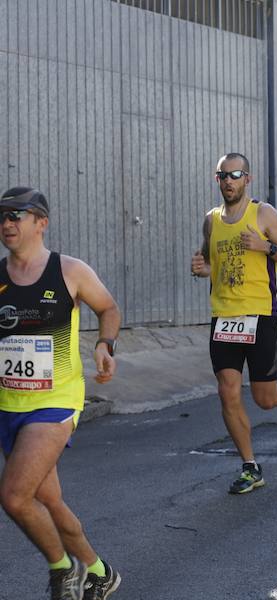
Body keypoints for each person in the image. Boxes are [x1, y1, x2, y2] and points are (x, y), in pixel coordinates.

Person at [0, 187, 123, 599]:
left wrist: (105, 345)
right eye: (1, 216)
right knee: (48, 500)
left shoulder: (69, 270)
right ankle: (100, 572)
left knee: (15, 497)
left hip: (55, 403)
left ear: (41, 222)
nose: (6, 223)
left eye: (16, 215)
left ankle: (62, 569)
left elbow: (108, 308)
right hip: (8, 405)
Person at [191, 153, 277, 495]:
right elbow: (211, 262)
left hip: (259, 315)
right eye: (223, 176)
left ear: (248, 178)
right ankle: (250, 466)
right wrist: (202, 269)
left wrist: (265, 246)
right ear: (217, 180)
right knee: (227, 391)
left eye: (235, 175)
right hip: (223, 317)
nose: (229, 181)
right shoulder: (211, 220)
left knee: (264, 398)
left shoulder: (263, 214)